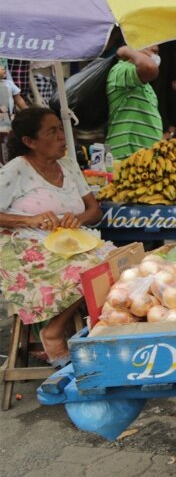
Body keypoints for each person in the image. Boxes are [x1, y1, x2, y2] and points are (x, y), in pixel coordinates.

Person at [0, 107, 106, 367]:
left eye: (60, 129)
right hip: (25, 250)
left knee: (120, 261)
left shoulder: (68, 165)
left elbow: (95, 210)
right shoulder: (16, 170)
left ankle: (100, 337)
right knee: (92, 270)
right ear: (30, 142)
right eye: (52, 131)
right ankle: (53, 331)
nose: (62, 137)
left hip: (70, 241)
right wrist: (28, 220)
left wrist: (77, 219)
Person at [105, 44, 163, 160]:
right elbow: (150, 68)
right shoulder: (120, 70)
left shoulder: (146, 86)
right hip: (127, 157)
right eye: (150, 43)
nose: (156, 48)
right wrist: (128, 52)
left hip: (146, 159)